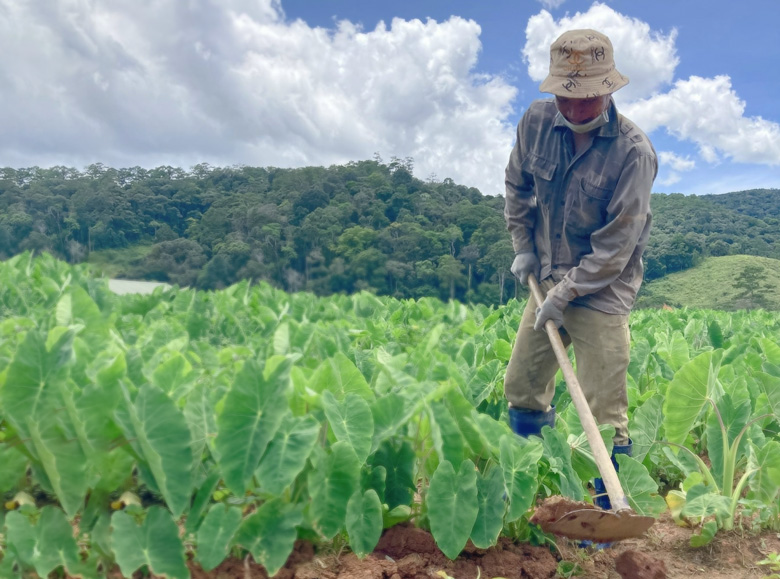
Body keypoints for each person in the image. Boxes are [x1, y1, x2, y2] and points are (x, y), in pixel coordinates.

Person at [503, 29, 656, 510]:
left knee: (604, 410)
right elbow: (517, 184)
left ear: (608, 89)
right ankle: (533, 484)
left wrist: (566, 294)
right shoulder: (536, 119)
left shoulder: (634, 152)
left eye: (586, 99)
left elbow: (615, 247)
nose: (573, 109)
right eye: (565, 98)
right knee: (522, 387)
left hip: (602, 288)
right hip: (546, 270)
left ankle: (605, 515)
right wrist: (524, 246)